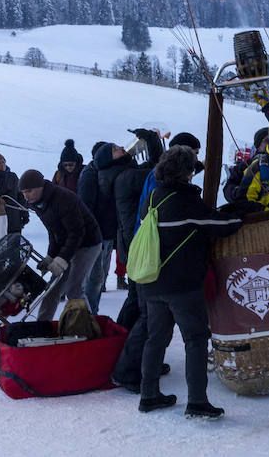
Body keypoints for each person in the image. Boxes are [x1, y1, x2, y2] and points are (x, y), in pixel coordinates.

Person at [138, 146, 243, 419]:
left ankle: (148, 395)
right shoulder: (184, 200)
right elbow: (223, 225)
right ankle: (197, 401)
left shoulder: (153, 197)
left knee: (156, 339)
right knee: (195, 340)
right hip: (182, 285)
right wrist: (241, 211)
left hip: (152, 282)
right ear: (186, 172)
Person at [109, 129, 171, 391]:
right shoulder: (127, 176)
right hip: (139, 247)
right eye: (115, 149)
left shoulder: (123, 175)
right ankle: (127, 366)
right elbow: (158, 169)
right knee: (147, 312)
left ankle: (119, 352)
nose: (122, 148)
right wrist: (154, 142)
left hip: (131, 245)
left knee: (136, 304)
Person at [19, 169, 102, 321]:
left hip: (88, 243)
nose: (26, 196)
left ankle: (88, 327)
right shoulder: (37, 203)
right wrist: (51, 256)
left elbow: (77, 233)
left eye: (29, 191)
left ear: (40, 186)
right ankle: (42, 326)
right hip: (69, 243)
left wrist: (62, 259)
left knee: (74, 289)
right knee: (52, 288)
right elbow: (54, 232)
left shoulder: (63, 199)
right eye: (24, 192)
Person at [80, 139, 133, 314]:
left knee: (99, 276)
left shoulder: (109, 171)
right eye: (116, 149)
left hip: (107, 233)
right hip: (97, 234)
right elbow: (86, 208)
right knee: (94, 278)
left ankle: (90, 312)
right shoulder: (90, 175)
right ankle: (87, 315)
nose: (122, 149)